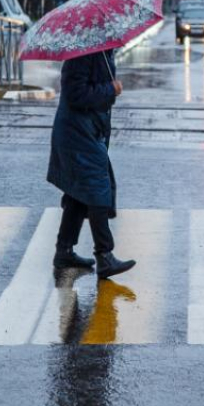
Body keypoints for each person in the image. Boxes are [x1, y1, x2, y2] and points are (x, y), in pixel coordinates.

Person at [47, 48, 136, 279]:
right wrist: (110, 89)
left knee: (79, 193)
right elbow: (75, 93)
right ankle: (105, 256)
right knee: (97, 190)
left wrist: (109, 90)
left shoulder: (103, 51)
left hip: (88, 131)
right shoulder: (84, 53)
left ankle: (64, 251)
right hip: (77, 133)